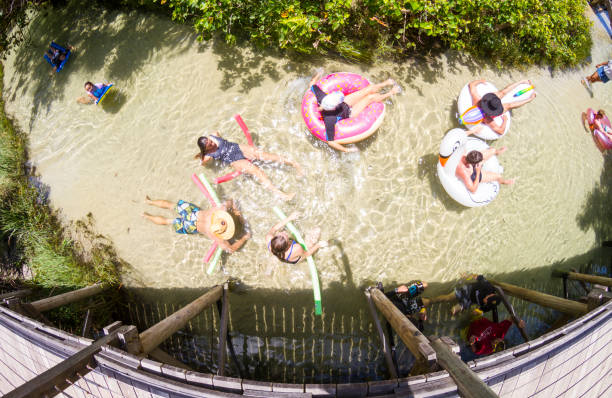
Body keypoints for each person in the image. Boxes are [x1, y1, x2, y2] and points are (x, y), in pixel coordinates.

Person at [308, 70, 400, 152]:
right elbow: (330, 142)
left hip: (345, 103)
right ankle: (391, 92)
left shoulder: (322, 97)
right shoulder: (330, 120)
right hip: (349, 113)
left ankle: (385, 83)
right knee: (370, 97)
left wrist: (318, 73)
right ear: (334, 106)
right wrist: (346, 150)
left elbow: (312, 84)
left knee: (367, 90)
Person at [195, 133, 303, 201]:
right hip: (233, 160)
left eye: (211, 142)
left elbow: (217, 134)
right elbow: (204, 163)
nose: (213, 144)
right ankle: (281, 195)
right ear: (206, 149)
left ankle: (294, 164)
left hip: (236, 147)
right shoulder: (208, 156)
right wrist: (202, 159)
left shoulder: (213, 135)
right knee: (257, 172)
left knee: (265, 156)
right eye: (210, 145)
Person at [142, 196, 250, 253]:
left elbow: (230, 201)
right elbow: (231, 249)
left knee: (170, 205)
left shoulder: (220, 209)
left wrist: (235, 209)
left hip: (193, 213)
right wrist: (244, 238)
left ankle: (149, 202)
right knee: (167, 221)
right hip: (191, 226)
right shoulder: (218, 238)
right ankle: (146, 216)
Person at [466, 79, 536, 135]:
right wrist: (505, 120)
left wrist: (481, 81)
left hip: (490, 103)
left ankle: (521, 82)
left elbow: (471, 84)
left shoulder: (477, 100)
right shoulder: (487, 119)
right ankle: (529, 99)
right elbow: (501, 131)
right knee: (509, 105)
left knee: (502, 93)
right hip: (489, 108)